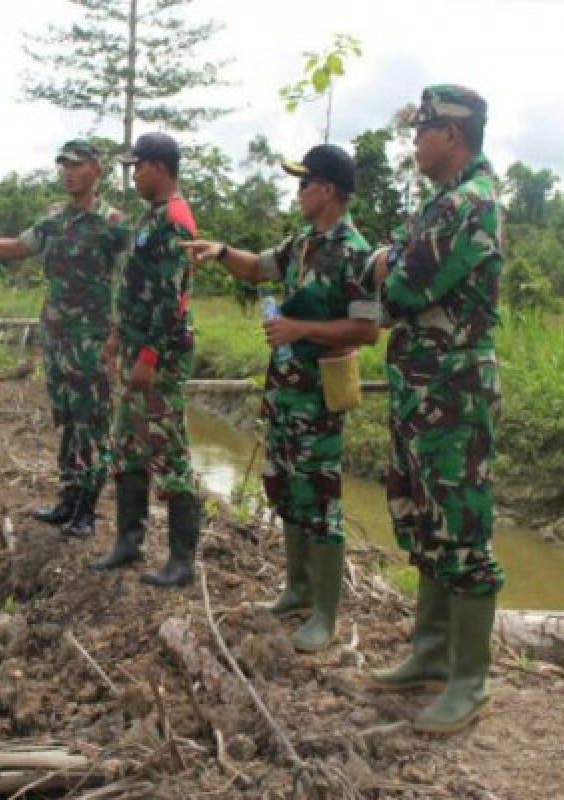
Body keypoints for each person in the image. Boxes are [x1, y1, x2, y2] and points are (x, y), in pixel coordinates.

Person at [184, 144, 378, 652]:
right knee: (288, 492)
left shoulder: (355, 251)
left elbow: (365, 329)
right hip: (286, 394)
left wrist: (298, 329)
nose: (297, 193)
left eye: (304, 184)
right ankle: (296, 589)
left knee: (320, 501)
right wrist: (223, 252)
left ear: (328, 191)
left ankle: (325, 615)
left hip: (319, 397)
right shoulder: (302, 244)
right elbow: (257, 268)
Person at [365, 85, 505, 734]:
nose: (415, 140)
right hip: (422, 388)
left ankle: (470, 681)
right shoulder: (440, 204)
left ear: (452, 135)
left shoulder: (471, 206)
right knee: (423, 519)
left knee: (461, 527)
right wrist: (391, 262)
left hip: (454, 390)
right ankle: (429, 653)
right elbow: (396, 275)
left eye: (423, 130)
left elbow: (398, 287)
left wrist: (387, 264)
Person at [0, 139, 128, 538]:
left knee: (93, 424)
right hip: (56, 339)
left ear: (95, 171)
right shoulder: (52, 221)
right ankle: (67, 500)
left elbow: (131, 283)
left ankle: (87, 509)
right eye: (64, 164)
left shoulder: (113, 224)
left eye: (77, 164)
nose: (68, 171)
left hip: (92, 341)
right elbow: (17, 247)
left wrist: (116, 338)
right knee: (66, 420)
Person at [91, 132, 201, 588]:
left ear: (158, 167)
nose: (133, 175)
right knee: (128, 446)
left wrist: (150, 356)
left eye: (137, 166)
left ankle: (181, 560)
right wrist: (118, 335)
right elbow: (135, 287)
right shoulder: (151, 217)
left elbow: (171, 299)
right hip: (138, 348)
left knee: (168, 449)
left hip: (161, 356)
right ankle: (128, 540)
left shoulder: (173, 221)